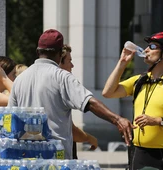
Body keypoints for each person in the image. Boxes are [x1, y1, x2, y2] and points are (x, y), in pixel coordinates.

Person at [8, 29, 135, 159]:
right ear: (59, 54)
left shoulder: (20, 79)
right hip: (55, 157)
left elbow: (11, 118)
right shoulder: (62, 77)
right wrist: (118, 119)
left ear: (37, 51)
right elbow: (89, 103)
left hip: (27, 156)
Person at [102, 32, 163, 169]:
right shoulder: (140, 80)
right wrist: (122, 63)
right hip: (138, 152)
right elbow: (108, 92)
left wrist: (157, 121)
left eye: (152, 46)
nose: (145, 50)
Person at [60, 44, 98, 159]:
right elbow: (71, 131)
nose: (72, 65)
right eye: (69, 61)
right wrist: (90, 138)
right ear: (59, 62)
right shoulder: (63, 82)